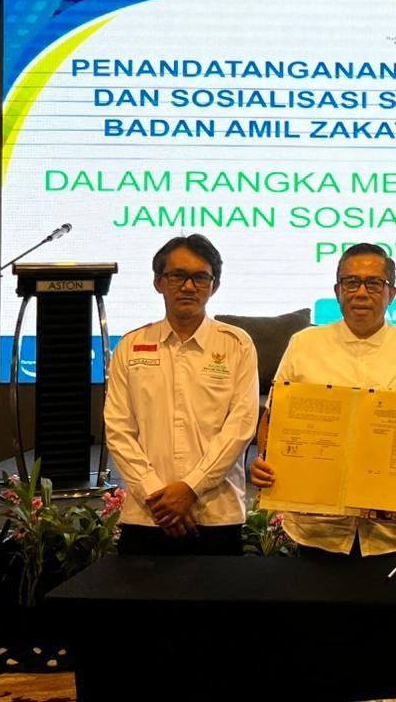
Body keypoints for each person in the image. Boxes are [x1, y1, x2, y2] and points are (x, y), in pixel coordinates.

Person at [250, 243, 396, 561]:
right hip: (318, 529)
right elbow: (273, 418)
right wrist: (265, 459)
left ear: (391, 293)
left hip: (392, 531)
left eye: (374, 283)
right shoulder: (304, 344)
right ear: (337, 291)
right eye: (351, 282)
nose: (361, 292)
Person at [104, 234, 259, 556]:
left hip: (216, 513)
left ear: (214, 286)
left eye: (200, 277)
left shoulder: (236, 344)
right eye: (177, 276)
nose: (188, 287)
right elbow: (118, 430)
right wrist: (158, 497)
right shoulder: (131, 346)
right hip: (148, 514)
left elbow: (241, 426)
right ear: (158, 282)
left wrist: (190, 488)